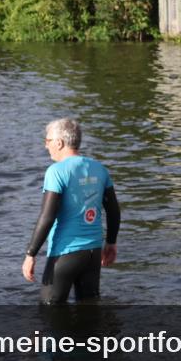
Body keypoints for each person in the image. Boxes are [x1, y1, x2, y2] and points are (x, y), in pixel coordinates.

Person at [22, 118, 120, 304]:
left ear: (59, 143)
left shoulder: (56, 171)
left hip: (65, 253)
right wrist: (111, 243)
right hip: (92, 253)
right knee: (89, 313)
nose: (46, 146)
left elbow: (47, 216)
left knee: (48, 314)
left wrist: (31, 254)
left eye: (48, 140)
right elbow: (113, 210)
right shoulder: (99, 169)